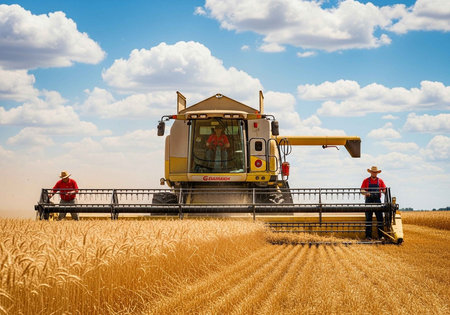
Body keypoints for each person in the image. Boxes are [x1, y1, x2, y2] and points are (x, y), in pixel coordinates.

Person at [361, 166, 386, 239]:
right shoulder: (365, 180)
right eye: (373, 172)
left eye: (375, 172)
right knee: (368, 218)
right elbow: (362, 190)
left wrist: (384, 191)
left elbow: (384, 189)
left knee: (380, 218)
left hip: (377, 201)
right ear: (370, 172)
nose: (374, 173)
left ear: (377, 173)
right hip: (369, 200)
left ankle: (381, 236)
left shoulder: (380, 181)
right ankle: (368, 236)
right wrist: (366, 193)